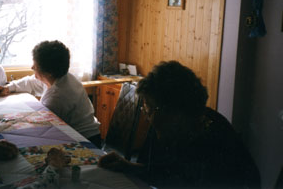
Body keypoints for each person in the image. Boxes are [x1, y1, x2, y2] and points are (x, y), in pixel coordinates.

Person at [98, 61, 261, 188]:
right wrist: (129, 167)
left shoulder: (216, 142)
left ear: (175, 112)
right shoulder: (166, 126)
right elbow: (160, 171)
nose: (146, 115)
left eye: (149, 107)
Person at [0, 40, 101, 148]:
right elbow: (31, 82)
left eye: (35, 65)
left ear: (48, 73)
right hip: (87, 133)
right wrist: (8, 88)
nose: (32, 67)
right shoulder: (62, 77)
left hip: (84, 140)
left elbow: (42, 127)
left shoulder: (57, 97)